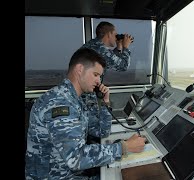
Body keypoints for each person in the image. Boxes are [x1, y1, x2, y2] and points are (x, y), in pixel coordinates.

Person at [25, 48, 146, 180]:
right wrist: (124, 147)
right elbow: (76, 158)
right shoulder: (60, 103)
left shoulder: (75, 100)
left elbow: (102, 131)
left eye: (100, 76)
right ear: (80, 69)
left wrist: (105, 102)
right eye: (95, 75)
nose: (99, 81)